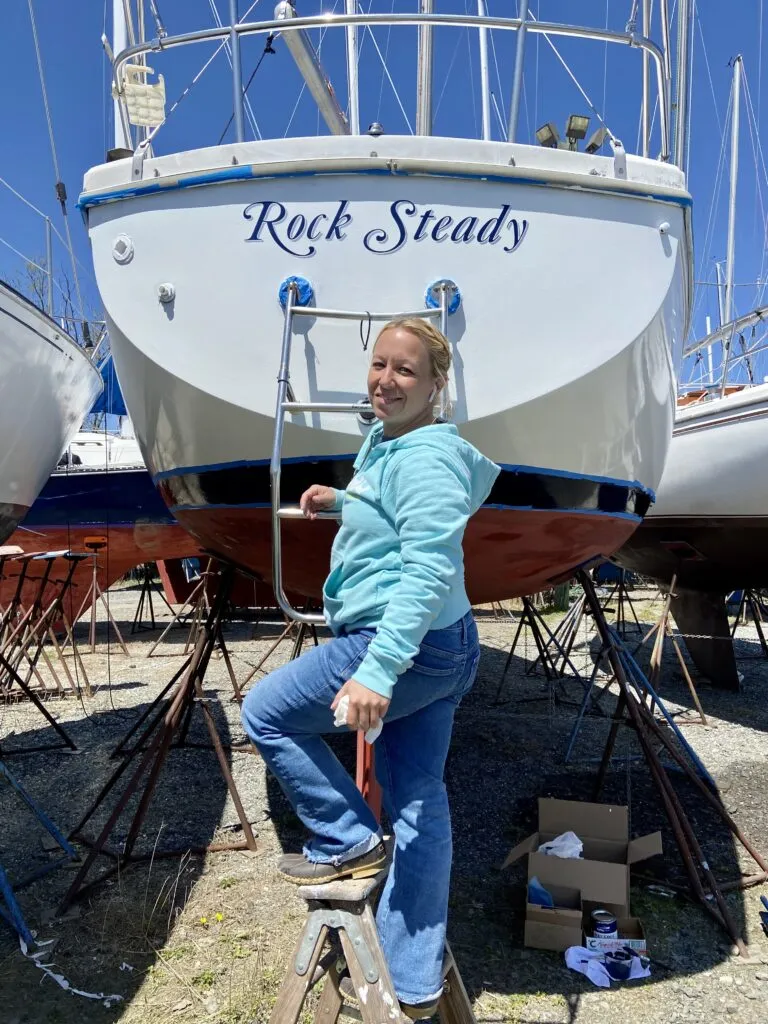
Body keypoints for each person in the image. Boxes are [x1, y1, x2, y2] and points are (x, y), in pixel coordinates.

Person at [241, 317, 499, 1019]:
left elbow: (427, 567)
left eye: (406, 371)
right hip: (445, 646)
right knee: (416, 798)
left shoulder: (423, 457)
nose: (386, 380)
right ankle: (413, 983)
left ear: (437, 385)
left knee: (264, 713)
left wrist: (378, 672)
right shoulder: (396, 445)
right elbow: (402, 523)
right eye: (379, 365)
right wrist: (344, 502)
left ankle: (346, 839)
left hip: (403, 642)